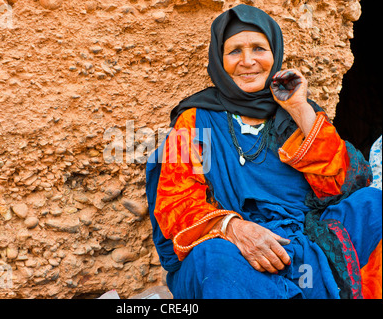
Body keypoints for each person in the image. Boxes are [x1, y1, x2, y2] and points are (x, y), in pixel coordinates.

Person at [146, 4, 382, 299]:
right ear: (219, 59)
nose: (248, 61)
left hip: (306, 240)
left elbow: (341, 185)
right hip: (234, 249)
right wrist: (234, 229)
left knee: (375, 206)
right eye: (234, 51)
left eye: (259, 48)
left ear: (275, 55)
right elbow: (175, 204)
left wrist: (299, 108)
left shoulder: (296, 111)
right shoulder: (195, 120)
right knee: (214, 260)